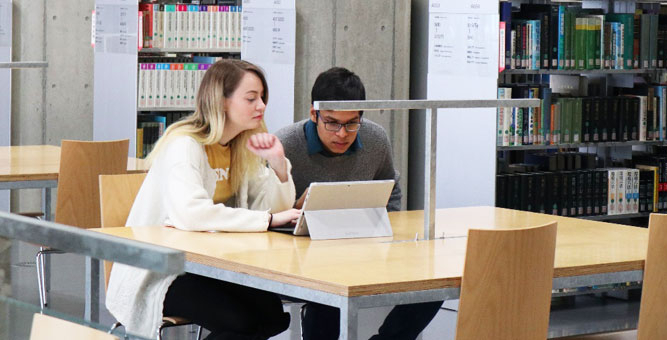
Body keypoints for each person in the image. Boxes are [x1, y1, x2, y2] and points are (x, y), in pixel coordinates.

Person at [106, 59, 301, 340]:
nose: (261, 106)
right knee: (242, 322)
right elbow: (192, 214)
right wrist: (267, 220)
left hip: (211, 265)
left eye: (262, 98)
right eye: (251, 98)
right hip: (162, 272)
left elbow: (274, 209)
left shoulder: (241, 147)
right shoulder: (184, 146)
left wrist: (279, 166)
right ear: (221, 102)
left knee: (272, 315)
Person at [275, 67, 442, 340]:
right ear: (313, 113)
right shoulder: (285, 145)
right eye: (332, 123)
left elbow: (392, 193)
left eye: (352, 123)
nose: (342, 133)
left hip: (363, 245)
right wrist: (295, 207)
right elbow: (262, 212)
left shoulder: (376, 139)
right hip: (301, 256)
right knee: (330, 290)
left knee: (432, 283)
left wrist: (383, 235)